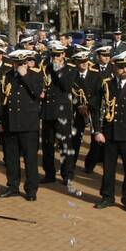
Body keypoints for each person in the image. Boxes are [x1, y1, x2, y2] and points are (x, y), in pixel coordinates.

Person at [93, 51, 126, 212]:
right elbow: (97, 109)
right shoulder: (106, 84)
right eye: (121, 67)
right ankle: (107, 197)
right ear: (114, 67)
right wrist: (97, 131)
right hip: (110, 134)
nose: (124, 70)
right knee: (108, 169)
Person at [0, 49, 44, 200]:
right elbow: (3, 100)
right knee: (11, 158)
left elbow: (38, 94)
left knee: (30, 159)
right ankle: (13, 186)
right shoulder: (7, 76)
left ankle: (31, 189)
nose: (19, 66)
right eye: (17, 63)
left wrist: (25, 76)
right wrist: (1, 121)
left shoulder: (36, 75)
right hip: (10, 122)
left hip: (28, 124)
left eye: (23, 63)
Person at [40, 42, 76, 186]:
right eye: (53, 55)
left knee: (64, 144)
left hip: (62, 112)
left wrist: (58, 68)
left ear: (64, 55)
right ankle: (49, 173)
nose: (55, 57)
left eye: (58, 55)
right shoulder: (46, 68)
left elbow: (66, 86)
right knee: (47, 144)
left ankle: (67, 174)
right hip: (48, 111)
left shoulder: (70, 69)